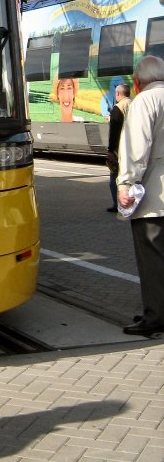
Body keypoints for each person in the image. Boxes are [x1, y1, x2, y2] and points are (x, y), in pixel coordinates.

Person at [116, 55, 164, 336]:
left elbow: (136, 148)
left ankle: (155, 317)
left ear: (137, 82)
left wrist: (125, 185)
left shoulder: (144, 101)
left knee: (153, 260)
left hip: (154, 199)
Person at [105, 83, 132, 212]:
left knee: (114, 178)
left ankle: (118, 204)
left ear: (118, 94)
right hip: (134, 148)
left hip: (120, 150)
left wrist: (110, 150)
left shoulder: (118, 108)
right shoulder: (135, 104)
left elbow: (114, 131)